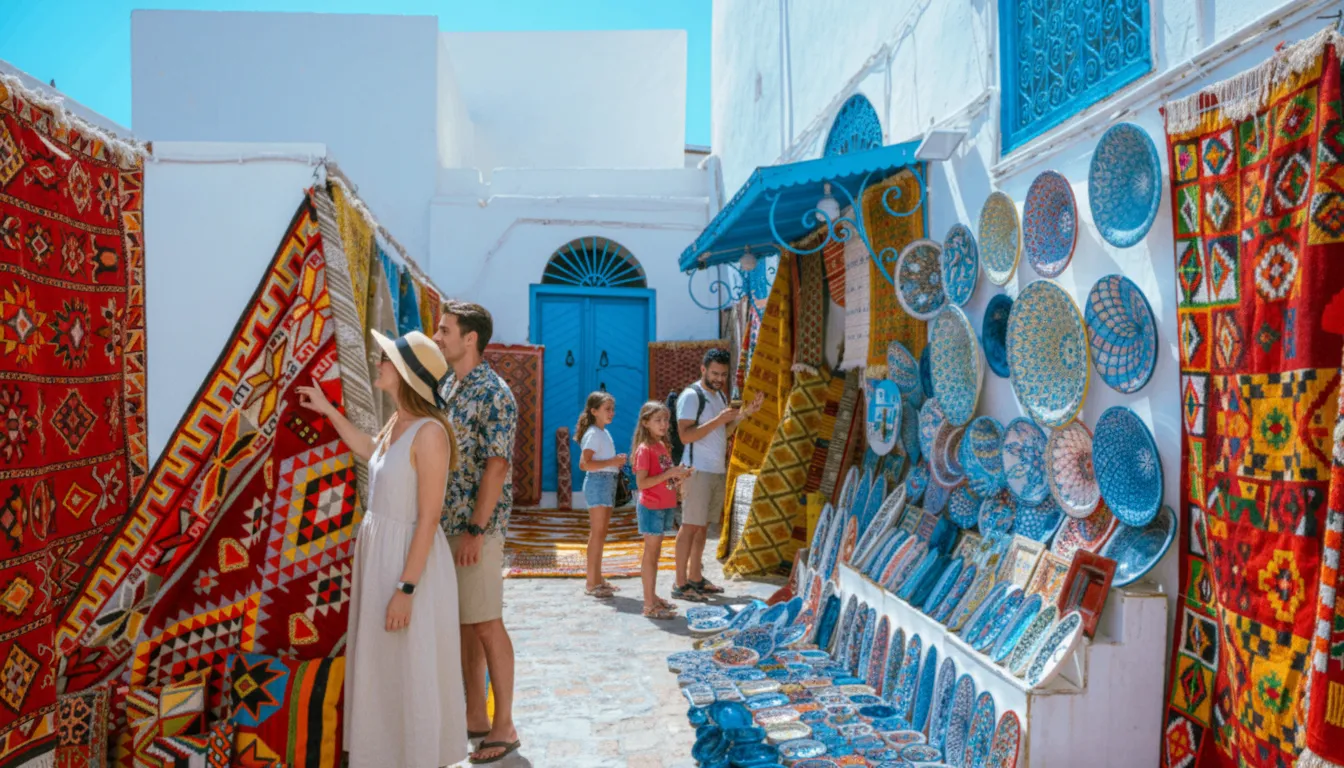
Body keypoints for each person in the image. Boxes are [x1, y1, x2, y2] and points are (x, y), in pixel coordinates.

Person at [296, 330, 467, 768]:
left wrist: (406, 589)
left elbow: (428, 517)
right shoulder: (397, 423)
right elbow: (373, 452)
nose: (379, 363)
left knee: (411, 665)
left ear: (407, 374)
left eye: (387, 359)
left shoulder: (430, 433)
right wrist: (328, 409)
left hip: (410, 562)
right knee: (386, 666)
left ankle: (419, 757)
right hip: (382, 555)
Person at [432, 301, 521, 765]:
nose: (438, 336)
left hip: (476, 528)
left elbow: (496, 465)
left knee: (486, 622)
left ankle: (504, 725)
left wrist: (475, 529)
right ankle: (475, 717)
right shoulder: (449, 385)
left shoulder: (494, 393)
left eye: (445, 329)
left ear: (471, 338)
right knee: (467, 625)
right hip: (448, 524)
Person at [672, 348, 763, 602]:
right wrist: (720, 419)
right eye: (714, 373)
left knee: (702, 528)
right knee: (689, 527)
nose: (719, 378)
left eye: (723, 374)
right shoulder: (692, 396)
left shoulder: (720, 396)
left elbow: (722, 432)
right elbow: (685, 435)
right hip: (696, 470)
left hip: (715, 470)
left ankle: (695, 578)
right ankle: (679, 583)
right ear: (703, 369)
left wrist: (745, 414)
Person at [631, 401, 692, 619]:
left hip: (663, 506)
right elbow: (642, 483)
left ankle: (653, 597)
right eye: (658, 420)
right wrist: (669, 475)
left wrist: (679, 476)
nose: (664, 424)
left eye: (666, 419)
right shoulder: (645, 450)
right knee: (650, 554)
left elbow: (663, 480)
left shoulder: (661, 446)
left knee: (655, 555)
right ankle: (648, 604)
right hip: (651, 507)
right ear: (645, 422)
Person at [575, 391, 627, 599]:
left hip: (606, 483)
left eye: (612, 409)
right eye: (607, 409)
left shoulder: (602, 432)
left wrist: (614, 461)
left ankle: (598, 578)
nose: (611, 413)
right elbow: (584, 464)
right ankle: (591, 582)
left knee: (601, 533)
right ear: (594, 411)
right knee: (597, 533)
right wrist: (612, 462)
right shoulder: (594, 434)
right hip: (598, 483)